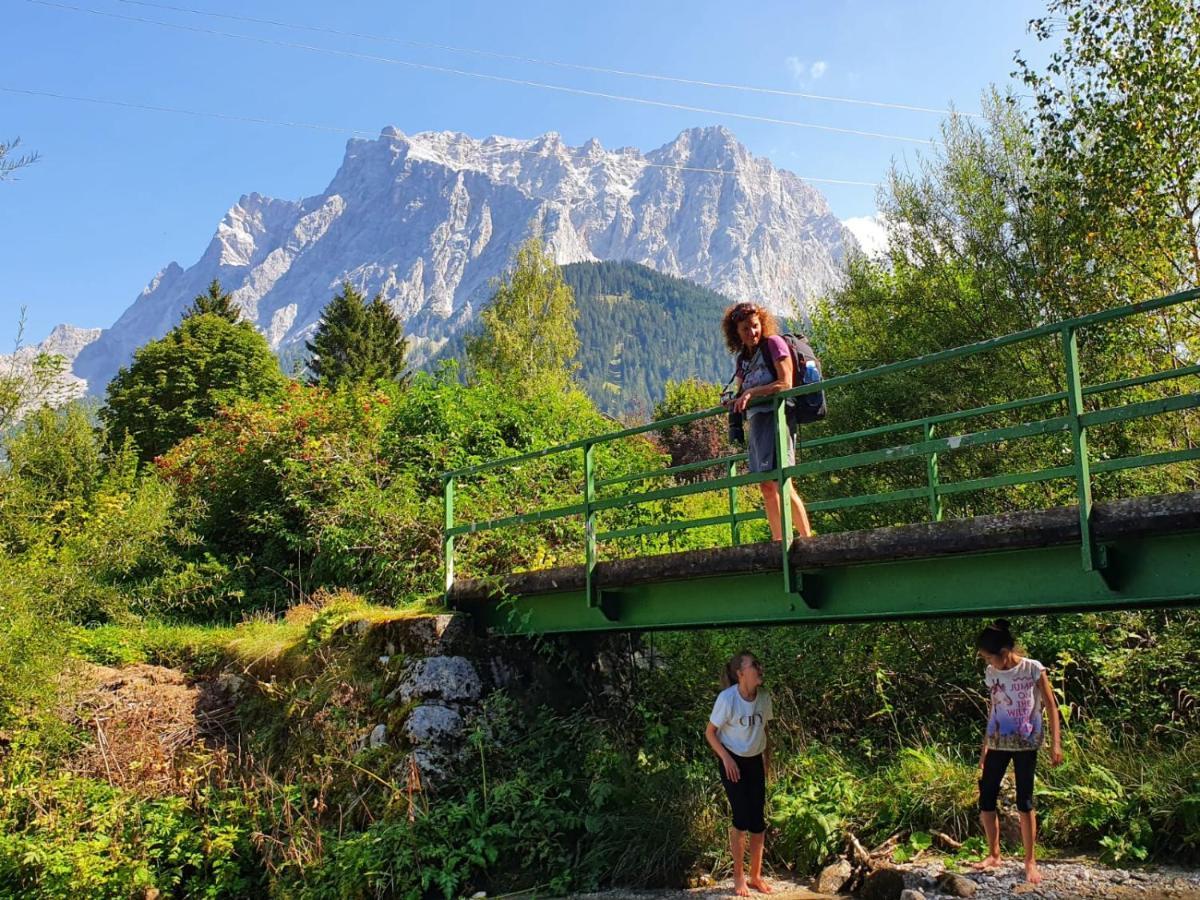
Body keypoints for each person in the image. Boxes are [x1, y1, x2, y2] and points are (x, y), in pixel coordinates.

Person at [972, 619, 1063, 885]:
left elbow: (1051, 706)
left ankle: (1030, 861)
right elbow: (994, 709)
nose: (987, 662)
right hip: (998, 742)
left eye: (988, 657)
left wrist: (1056, 744)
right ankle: (994, 854)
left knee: (1025, 801)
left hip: (1026, 743)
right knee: (986, 795)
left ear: (1003, 653)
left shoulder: (1033, 669)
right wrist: (984, 747)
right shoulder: (992, 673)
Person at [721, 302, 812, 541]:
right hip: (757, 422)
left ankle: (807, 539)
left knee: (782, 480)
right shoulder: (743, 358)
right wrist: (732, 400)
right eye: (745, 329)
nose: (751, 333)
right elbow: (740, 390)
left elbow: (785, 383)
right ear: (736, 333)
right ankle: (778, 542)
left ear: (762, 323)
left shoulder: (774, 344)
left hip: (779, 417)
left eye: (754, 326)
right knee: (766, 484)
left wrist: (753, 393)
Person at [705, 651, 774, 896]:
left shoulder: (764, 697)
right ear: (740, 673)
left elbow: (765, 731)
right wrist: (726, 759)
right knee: (741, 818)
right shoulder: (727, 699)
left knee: (758, 821)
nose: (759, 667)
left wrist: (767, 762)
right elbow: (710, 733)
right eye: (753, 664)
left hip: (755, 761)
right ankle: (739, 877)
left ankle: (756, 876)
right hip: (731, 761)